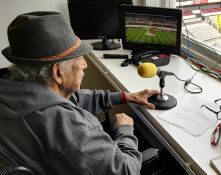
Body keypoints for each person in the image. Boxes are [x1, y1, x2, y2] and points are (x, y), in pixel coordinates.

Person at [0, 11, 159, 175]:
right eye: (79, 58)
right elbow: (125, 170)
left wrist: (125, 96)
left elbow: (71, 97)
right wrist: (124, 131)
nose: (85, 64)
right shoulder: (70, 127)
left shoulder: (12, 87)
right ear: (58, 73)